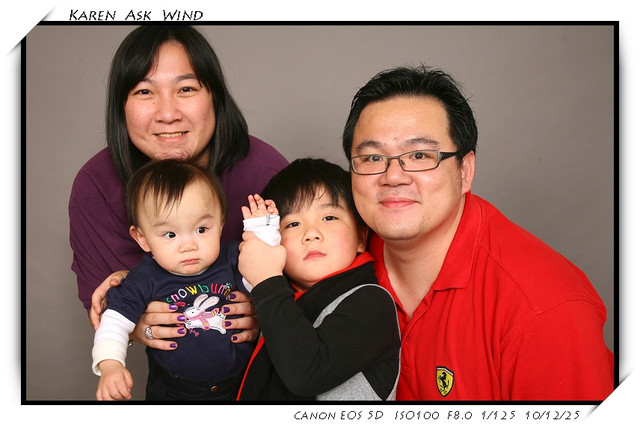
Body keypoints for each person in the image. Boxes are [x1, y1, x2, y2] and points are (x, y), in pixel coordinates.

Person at [341, 65, 614, 400]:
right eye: (371, 158)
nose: (393, 176)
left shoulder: (544, 308)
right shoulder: (335, 255)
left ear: (465, 171)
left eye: (420, 155)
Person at [69, 25, 288, 349]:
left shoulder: (266, 172)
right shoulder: (97, 186)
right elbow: (106, 306)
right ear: (121, 106)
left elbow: (318, 281)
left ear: (215, 96)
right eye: (144, 92)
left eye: (186, 89)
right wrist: (136, 324)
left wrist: (268, 310)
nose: (168, 114)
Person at [92, 159, 280, 401]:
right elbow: (114, 321)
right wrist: (110, 365)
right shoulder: (144, 278)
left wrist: (264, 232)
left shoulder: (233, 259)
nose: (189, 246)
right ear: (142, 238)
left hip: (244, 384)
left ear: (220, 222)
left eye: (202, 229)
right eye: (170, 234)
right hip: (173, 392)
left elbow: (265, 280)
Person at [236, 158, 401, 400]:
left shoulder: (372, 301)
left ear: (360, 238)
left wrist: (266, 280)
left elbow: (307, 374)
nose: (311, 234)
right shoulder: (276, 300)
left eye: (329, 218)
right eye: (293, 223)